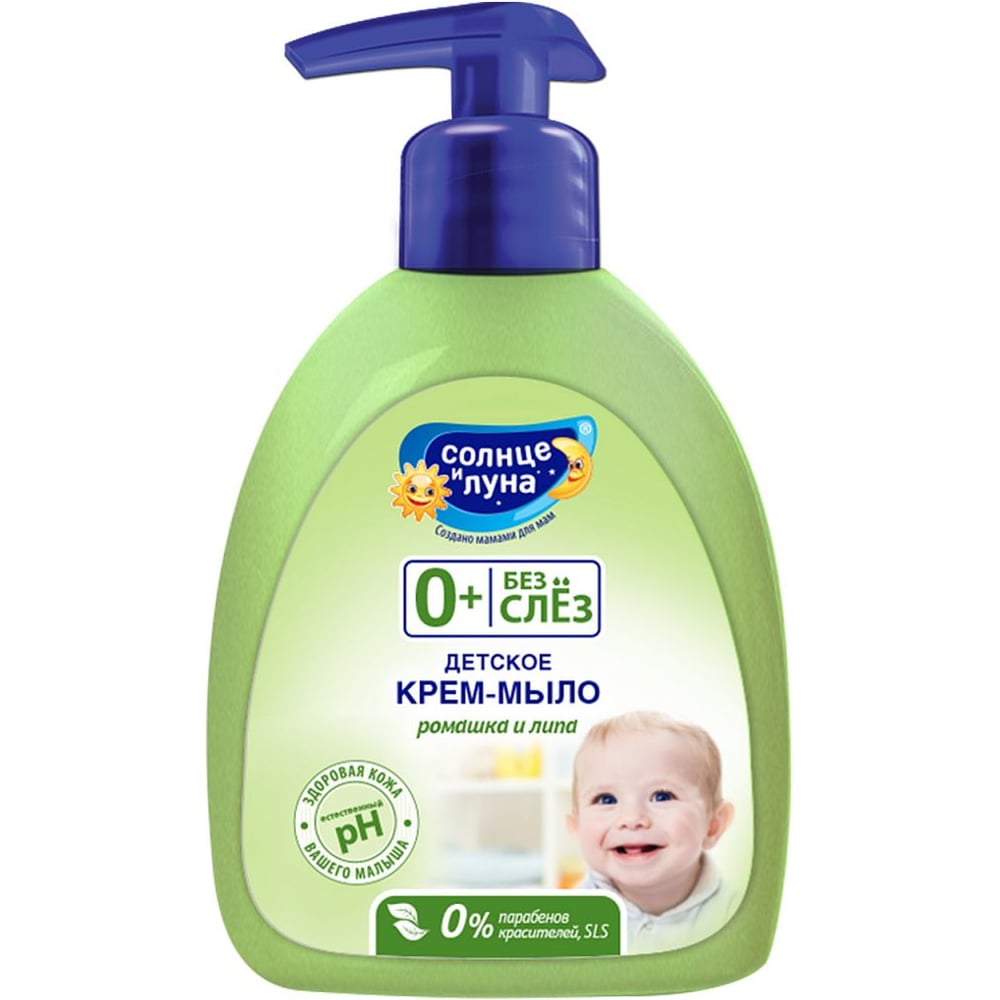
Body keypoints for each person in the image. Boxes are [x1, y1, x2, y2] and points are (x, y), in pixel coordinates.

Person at [566, 711, 736, 953]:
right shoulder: (569, 918)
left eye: (662, 796)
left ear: (713, 825)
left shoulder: (734, 915)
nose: (632, 819)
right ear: (578, 829)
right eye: (606, 799)